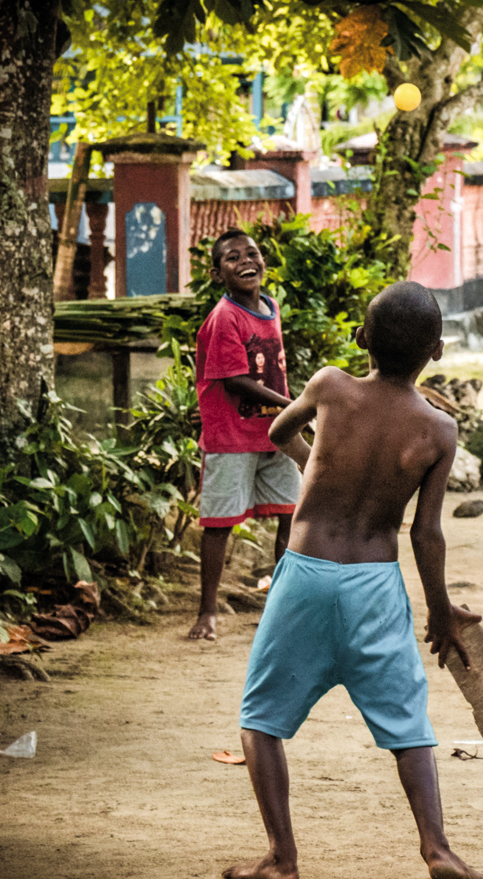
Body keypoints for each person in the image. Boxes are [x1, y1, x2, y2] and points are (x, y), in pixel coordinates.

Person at [224, 281, 483, 879]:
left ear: (362, 338)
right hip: (375, 583)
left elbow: (275, 433)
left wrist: (313, 457)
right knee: (409, 728)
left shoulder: (330, 386)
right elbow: (426, 534)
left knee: (261, 722)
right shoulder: (439, 430)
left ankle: (281, 859)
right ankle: (437, 849)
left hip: (305, 577)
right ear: (437, 351)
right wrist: (441, 611)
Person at [190, 229, 300, 641]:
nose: (245, 261)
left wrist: (288, 413)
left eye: (251, 253)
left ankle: (283, 606)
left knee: (291, 513)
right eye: (233, 258)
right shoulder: (224, 318)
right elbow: (236, 380)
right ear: (218, 274)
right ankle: (207, 612)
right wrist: (295, 406)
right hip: (231, 436)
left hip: (275, 433)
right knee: (219, 524)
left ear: (264, 262)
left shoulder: (270, 306)